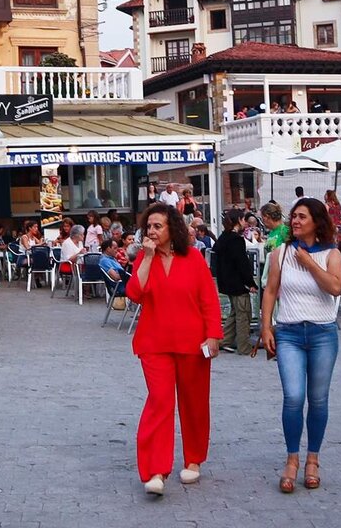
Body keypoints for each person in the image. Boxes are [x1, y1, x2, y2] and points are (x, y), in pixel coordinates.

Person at [126, 202, 222, 496]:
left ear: (173, 229)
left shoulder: (192, 258)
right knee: (160, 401)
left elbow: (208, 298)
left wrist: (214, 335)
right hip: (155, 342)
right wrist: (147, 258)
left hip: (193, 342)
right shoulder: (145, 258)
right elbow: (134, 294)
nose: (152, 231)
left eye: (158, 226)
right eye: (149, 226)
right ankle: (156, 470)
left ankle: (193, 459)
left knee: (194, 404)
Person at [259, 198, 341, 493]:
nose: (294, 221)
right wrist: (266, 326)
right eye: (293, 216)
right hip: (289, 333)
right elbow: (270, 291)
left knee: (318, 399)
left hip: (323, 334)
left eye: (301, 217)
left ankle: (313, 460)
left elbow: (335, 288)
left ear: (317, 222)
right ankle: (292, 459)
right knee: (293, 397)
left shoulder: (331, 254)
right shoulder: (280, 253)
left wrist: (308, 262)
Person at [215, 210, 257, 355]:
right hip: (238, 284)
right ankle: (244, 346)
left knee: (234, 313)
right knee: (243, 315)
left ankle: (224, 339)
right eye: (243, 219)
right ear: (238, 220)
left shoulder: (223, 238)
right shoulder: (236, 240)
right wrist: (250, 282)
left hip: (226, 283)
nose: (245, 222)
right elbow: (242, 264)